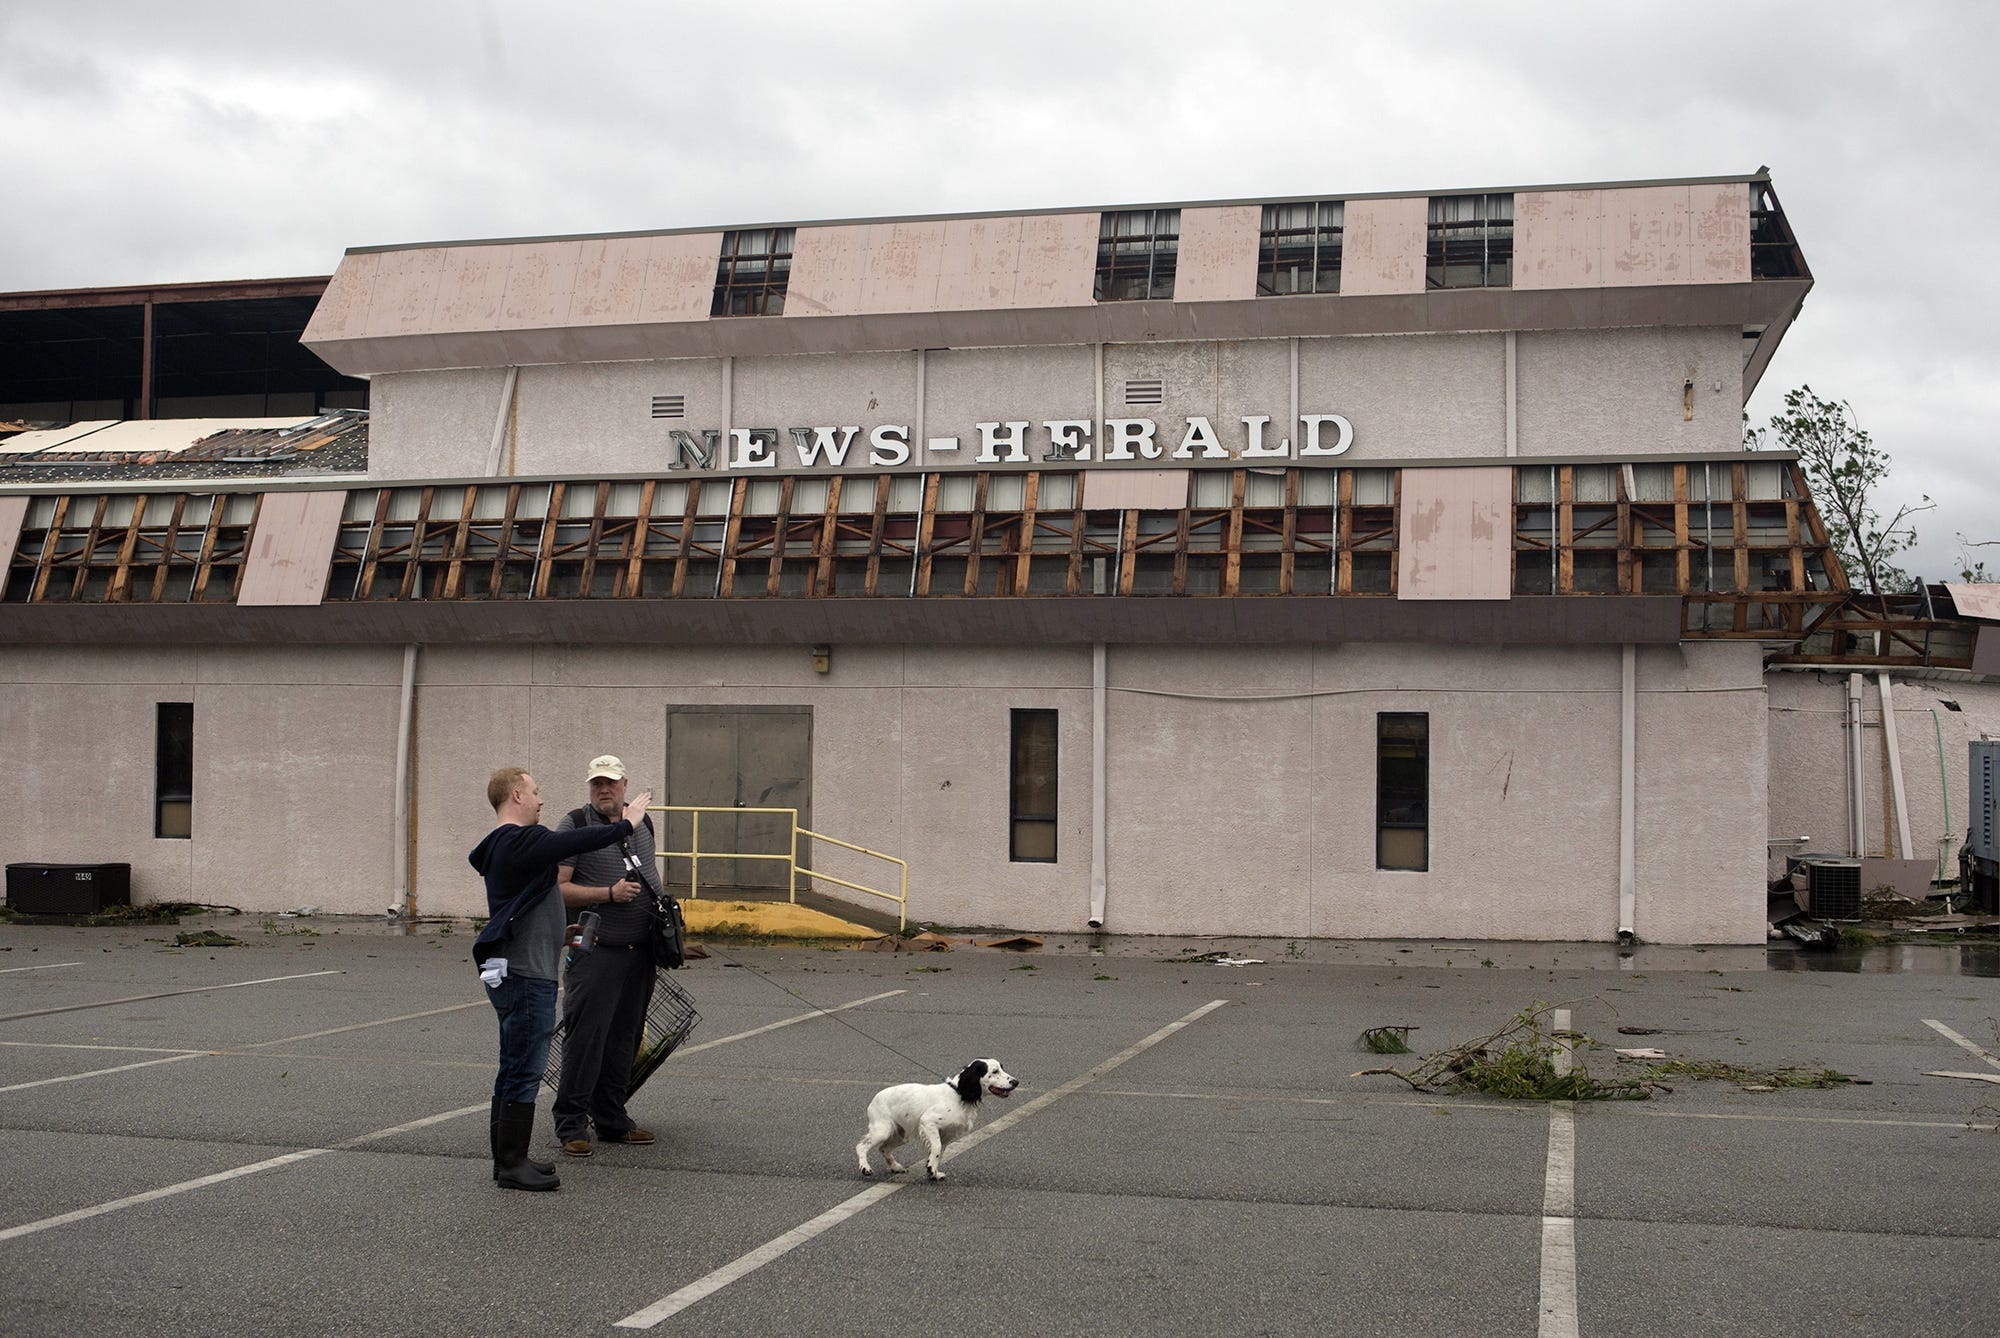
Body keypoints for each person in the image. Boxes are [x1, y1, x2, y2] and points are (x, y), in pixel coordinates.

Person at [469, 765, 651, 1191]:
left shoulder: (506, 846)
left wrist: (559, 933)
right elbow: (574, 840)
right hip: (527, 975)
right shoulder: (518, 838)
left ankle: (508, 1159)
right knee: (524, 1069)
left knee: (513, 1066)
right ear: (515, 795)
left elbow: (525, 907)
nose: (541, 799)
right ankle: (512, 1163)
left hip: (523, 965)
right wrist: (628, 822)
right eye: (534, 791)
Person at [551, 754, 666, 1159]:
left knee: (625, 1039)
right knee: (586, 1039)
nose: (603, 789)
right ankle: (571, 1124)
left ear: (624, 785)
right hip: (595, 951)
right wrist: (608, 895)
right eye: (597, 783)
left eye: (611, 783)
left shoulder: (643, 823)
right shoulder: (575, 825)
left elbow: (649, 874)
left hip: (639, 952)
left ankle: (612, 1119)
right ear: (589, 787)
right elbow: (558, 888)